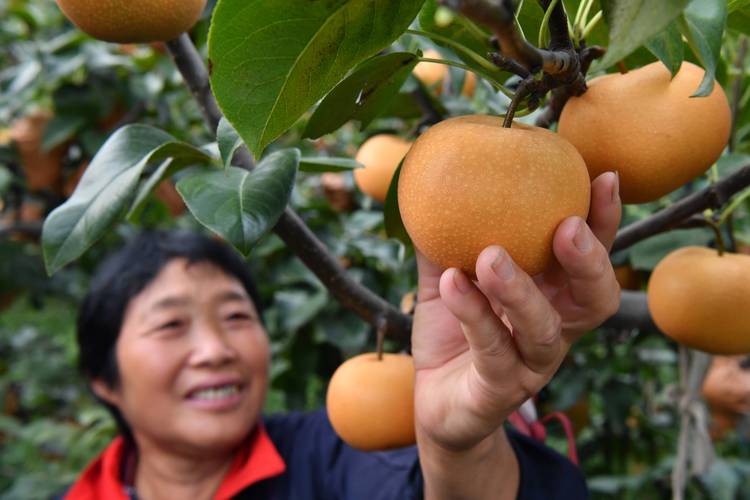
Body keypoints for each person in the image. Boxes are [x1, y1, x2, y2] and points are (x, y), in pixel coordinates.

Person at [62, 171, 621, 499]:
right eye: (170, 326)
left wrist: (461, 446)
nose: (216, 351)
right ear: (102, 378)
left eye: (235, 316)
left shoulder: (336, 453)